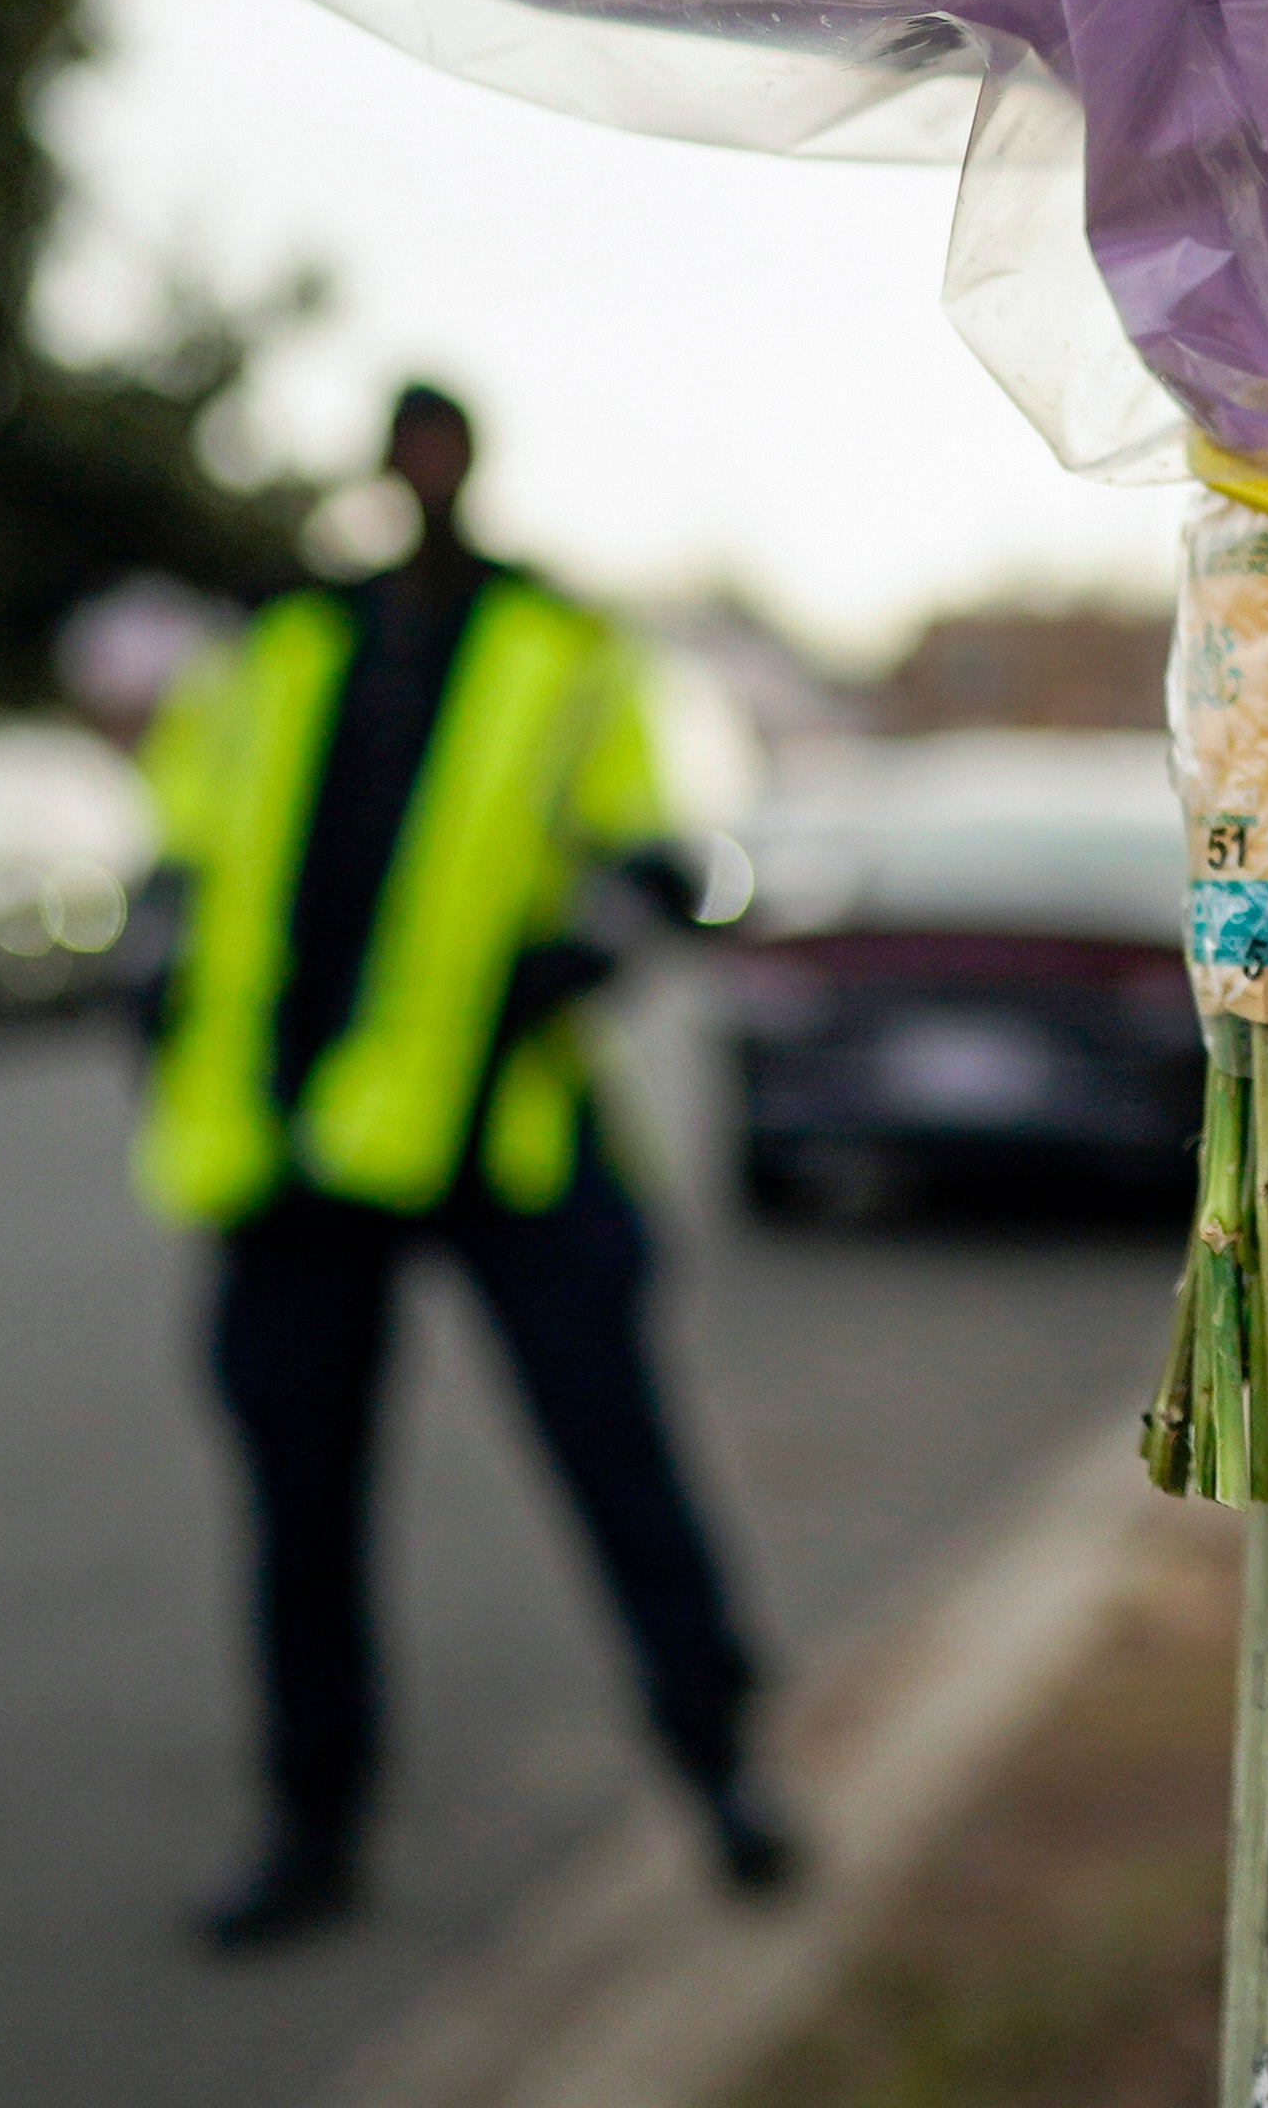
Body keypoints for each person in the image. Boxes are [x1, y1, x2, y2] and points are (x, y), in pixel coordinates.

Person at [132, 381, 796, 1951]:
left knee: (618, 1465)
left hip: (502, 1134)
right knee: (300, 1510)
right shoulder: (278, 646)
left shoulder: (562, 648)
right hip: (295, 1149)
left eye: (444, 448)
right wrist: (151, 983)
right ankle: (312, 1824)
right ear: (382, 468)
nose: (423, 472)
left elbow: (643, 846)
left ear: (471, 465)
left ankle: (722, 1769)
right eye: (404, 450)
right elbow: (179, 847)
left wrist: (600, 943)